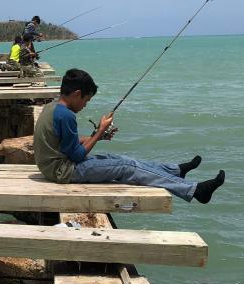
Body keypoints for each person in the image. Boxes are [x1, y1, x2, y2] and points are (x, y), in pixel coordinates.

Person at [33, 68, 226, 203]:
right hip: (64, 171)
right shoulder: (66, 116)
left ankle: (174, 171)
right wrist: (100, 130)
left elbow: (67, 144)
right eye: (86, 100)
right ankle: (194, 190)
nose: (85, 105)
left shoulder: (53, 108)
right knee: (127, 166)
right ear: (76, 94)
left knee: (118, 159)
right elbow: (76, 155)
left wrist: (97, 137)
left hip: (55, 166)